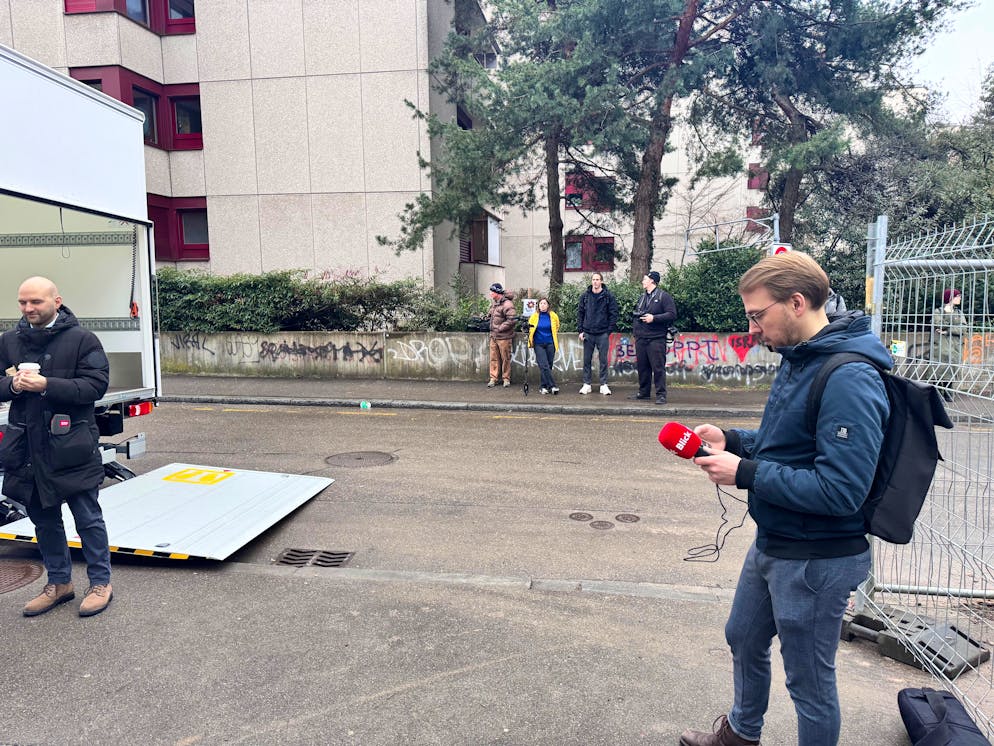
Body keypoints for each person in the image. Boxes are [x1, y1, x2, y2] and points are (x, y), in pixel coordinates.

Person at [680, 252, 890, 746]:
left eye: (758, 315)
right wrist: (733, 441)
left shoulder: (849, 377)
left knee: (809, 682)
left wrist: (744, 473)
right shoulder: (801, 358)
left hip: (818, 557)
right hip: (776, 540)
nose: (751, 328)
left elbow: (841, 490)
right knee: (743, 635)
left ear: (796, 303)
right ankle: (740, 735)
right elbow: (788, 443)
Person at [0, 276, 114, 618]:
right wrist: (13, 386)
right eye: (23, 302)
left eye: (36, 301)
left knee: (87, 518)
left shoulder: (82, 339)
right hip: (27, 448)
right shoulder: (8, 341)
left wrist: (47, 384)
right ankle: (59, 583)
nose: (28, 308)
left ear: (57, 301)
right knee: (44, 520)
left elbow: (95, 386)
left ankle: (100, 583)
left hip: (71, 445)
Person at [627, 270, 676, 405]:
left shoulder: (663, 296)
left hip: (656, 338)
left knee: (658, 368)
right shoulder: (642, 297)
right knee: (643, 367)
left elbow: (672, 314)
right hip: (641, 337)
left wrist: (654, 318)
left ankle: (661, 395)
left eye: (645, 279)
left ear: (652, 281)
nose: (642, 281)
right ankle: (644, 392)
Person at [577, 272, 618, 395]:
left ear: (601, 281)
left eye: (597, 279)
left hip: (602, 333)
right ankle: (587, 384)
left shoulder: (608, 296)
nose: (595, 281)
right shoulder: (585, 296)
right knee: (587, 360)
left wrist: (608, 331)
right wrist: (580, 330)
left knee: (603, 360)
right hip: (588, 333)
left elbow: (613, 313)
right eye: (593, 279)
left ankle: (603, 385)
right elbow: (580, 313)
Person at [928, 288, 966, 400]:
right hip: (940, 345)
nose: (960, 298)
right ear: (950, 298)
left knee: (951, 368)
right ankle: (937, 393)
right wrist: (953, 325)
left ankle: (948, 392)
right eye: (958, 296)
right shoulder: (938, 312)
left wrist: (948, 331)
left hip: (955, 346)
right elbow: (938, 324)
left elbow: (963, 328)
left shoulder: (959, 313)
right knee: (938, 368)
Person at [486, 282, 516, 388]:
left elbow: (512, 320)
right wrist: (485, 318)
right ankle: (493, 378)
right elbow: (491, 316)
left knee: (505, 358)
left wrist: (499, 328)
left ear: (497, 292)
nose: (490, 294)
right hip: (494, 336)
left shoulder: (507, 304)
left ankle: (506, 379)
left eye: (492, 292)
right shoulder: (495, 303)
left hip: (504, 337)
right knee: (493, 358)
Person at [527, 297, 560, 395]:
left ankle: (543, 386)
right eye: (541, 303)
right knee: (543, 365)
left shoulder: (553, 316)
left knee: (548, 366)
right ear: (538, 305)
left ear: (548, 305)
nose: (542, 305)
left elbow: (557, 326)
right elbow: (530, 328)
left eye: (544, 303)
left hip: (550, 343)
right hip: (538, 344)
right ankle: (552, 386)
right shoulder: (534, 316)